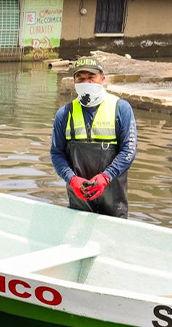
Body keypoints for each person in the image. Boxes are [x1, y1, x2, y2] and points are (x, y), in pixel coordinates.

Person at [50, 57, 137, 219]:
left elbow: (129, 150)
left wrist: (106, 176)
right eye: (81, 78)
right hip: (79, 195)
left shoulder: (121, 108)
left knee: (112, 239)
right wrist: (71, 179)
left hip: (113, 195)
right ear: (74, 81)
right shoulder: (64, 114)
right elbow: (56, 153)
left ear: (102, 79)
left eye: (91, 77)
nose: (86, 82)